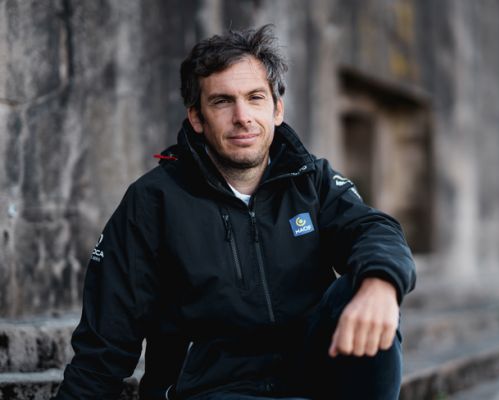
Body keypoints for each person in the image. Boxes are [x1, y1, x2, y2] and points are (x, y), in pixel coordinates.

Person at [52, 25, 416, 400]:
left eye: (255, 98)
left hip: (311, 382)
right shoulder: (154, 201)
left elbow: (373, 228)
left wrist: (380, 284)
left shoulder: (311, 181)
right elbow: (104, 345)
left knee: (365, 282)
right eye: (223, 102)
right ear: (197, 118)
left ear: (276, 109)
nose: (242, 116)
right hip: (210, 392)